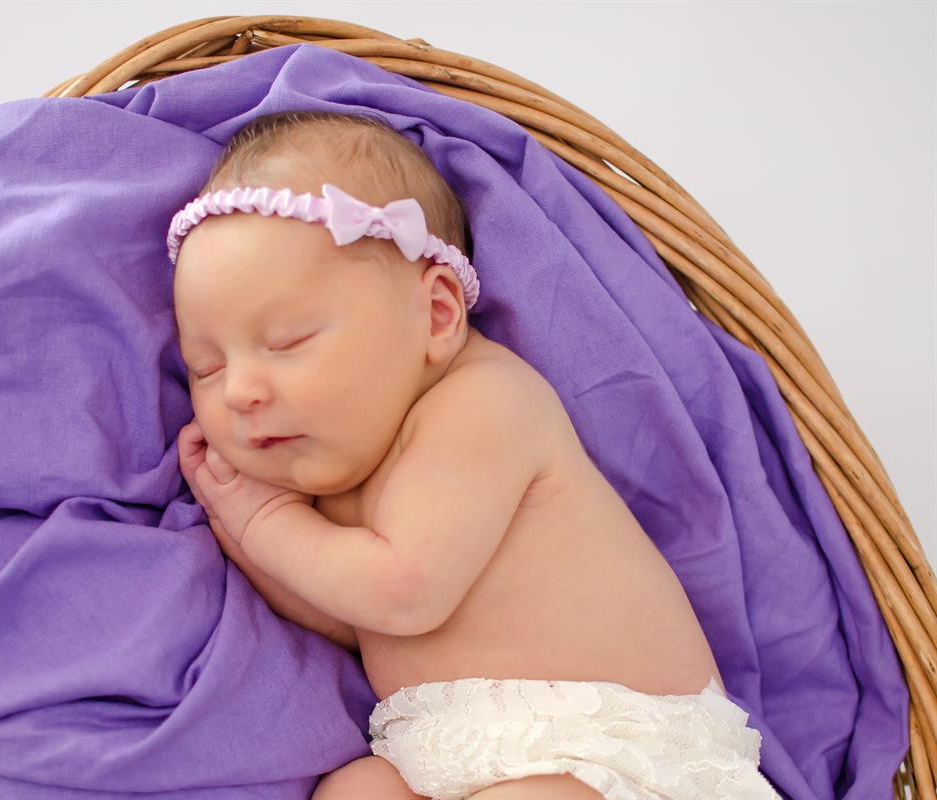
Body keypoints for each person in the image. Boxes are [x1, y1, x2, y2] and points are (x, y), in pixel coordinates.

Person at [170, 109, 779, 800]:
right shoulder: (343, 481)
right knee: (356, 788)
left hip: (606, 754)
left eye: (287, 342)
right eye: (205, 366)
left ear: (436, 314)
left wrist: (264, 523)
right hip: (452, 756)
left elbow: (401, 591)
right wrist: (245, 529)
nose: (240, 391)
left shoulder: (482, 404)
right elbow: (348, 613)